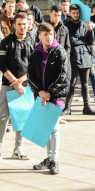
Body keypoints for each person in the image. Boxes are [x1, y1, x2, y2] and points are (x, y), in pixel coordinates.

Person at [27, 22, 71, 175]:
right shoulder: (35, 54)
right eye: (45, 34)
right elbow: (30, 76)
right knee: (45, 128)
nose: (49, 37)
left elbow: (63, 75)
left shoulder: (59, 52)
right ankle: (48, 158)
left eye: (51, 34)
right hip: (40, 96)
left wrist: (49, 93)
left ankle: (54, 160)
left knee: (54, 128)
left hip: (55, 96)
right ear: (39, 36)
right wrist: (39, 92)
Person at [0, 11, 33, 163]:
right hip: (7, 85)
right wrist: (15, 82)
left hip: (25, 86)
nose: (22, 27)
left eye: (25, 24)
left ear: (28, 24)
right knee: (2, 118)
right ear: (14, 25)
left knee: (22, 120)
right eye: (19, 24)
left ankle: (18, 149)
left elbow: (34, 67)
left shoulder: (33, 41)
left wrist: (20, 82)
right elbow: (1, 64)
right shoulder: (6, 42)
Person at [63, 4, 95, 116]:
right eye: (73, 13)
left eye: (77, 13)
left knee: (85, 84)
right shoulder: (66, 25)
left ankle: (86, 107)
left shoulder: (85, 24)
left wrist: (89, 31)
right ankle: (67, 107)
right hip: (74, 58)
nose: (76, 15)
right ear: (69, 13)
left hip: (86, 58)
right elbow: (72, 41)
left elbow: (90, 41)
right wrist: (84, 40)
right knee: (71, 83)